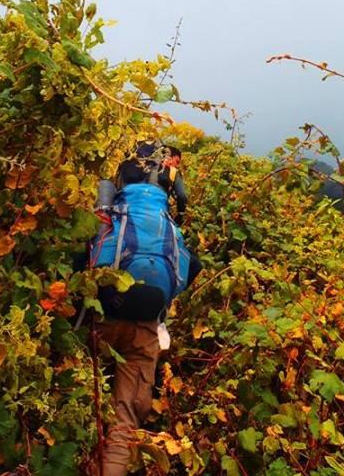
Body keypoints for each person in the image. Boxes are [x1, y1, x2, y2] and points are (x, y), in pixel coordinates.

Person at [88, 143, 200, 476]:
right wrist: (164, 298)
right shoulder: (167, 218)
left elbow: (84, 260)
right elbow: (193, 266)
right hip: (145, 329)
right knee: (123, 423)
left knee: (81, 403)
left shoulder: (114, 208)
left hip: (99, 320)